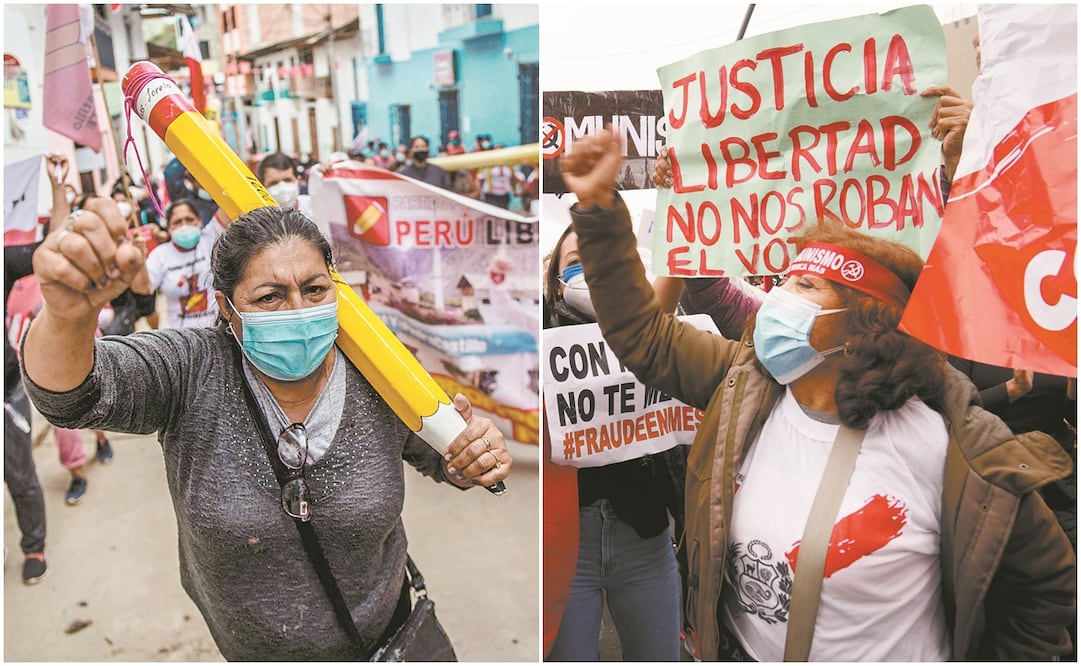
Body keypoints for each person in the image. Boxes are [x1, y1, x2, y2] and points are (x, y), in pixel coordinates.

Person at [559, 129, 1075, 661]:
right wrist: (598, 210)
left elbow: (1043, 592)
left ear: (861, 326)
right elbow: (644, 335)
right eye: (785, 281)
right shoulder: (745, 385)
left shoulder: (958, 449)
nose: (778, 298)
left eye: (805, 287)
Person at [21, 200, 513, 660]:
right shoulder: (191, 371)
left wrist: (470, 457)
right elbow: (70, 396)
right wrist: (69, 316)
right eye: (270, 296)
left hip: (388, 637)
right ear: (227, 309)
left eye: (314, 289)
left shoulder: (380, 370)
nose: (298, 309)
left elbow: (441, 456)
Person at [542, 224, 684, 662]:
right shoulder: (539, 342)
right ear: (555, 282)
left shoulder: (656, 336)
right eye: (576, 263)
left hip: (645, 538)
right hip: (566, 548)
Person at [133, 198, 225, 329]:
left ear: (199, 221)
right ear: (169, 227)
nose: (184, 225)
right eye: (177, 222)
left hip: (219, 330)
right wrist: (138, 257)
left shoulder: (211, 238)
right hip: (182, 339)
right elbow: (143, 288)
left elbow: (230, 200)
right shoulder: (160, 255)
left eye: (189, 219)